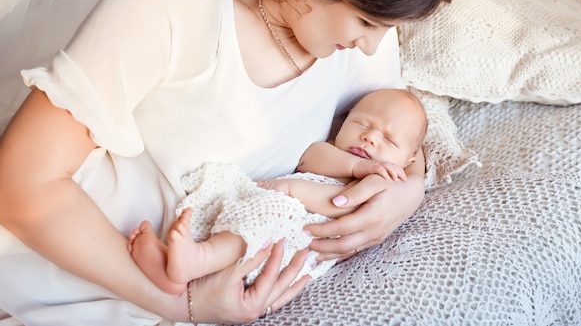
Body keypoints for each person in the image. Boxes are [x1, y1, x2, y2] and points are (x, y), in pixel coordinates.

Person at [0, 0, 457, 324]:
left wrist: (406, 194)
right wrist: (182, 305)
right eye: (367, 24)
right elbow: (21, 181)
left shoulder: (358, 32)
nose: (373, 45)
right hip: (67, 276)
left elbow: (401, 128)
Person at [128, 88, 428, 295]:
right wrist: (356, 167)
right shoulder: (341, 159)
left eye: (388, 140)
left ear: (410, 162)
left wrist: (291, 188)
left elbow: (341, 206)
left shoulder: (384, 187)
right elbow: (311, 156)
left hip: (299, 236)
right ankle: (173, 270)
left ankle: (198, 260)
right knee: (227, 207)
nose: (370, 137)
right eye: (361, 122)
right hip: (266, 207)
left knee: (263, 224)